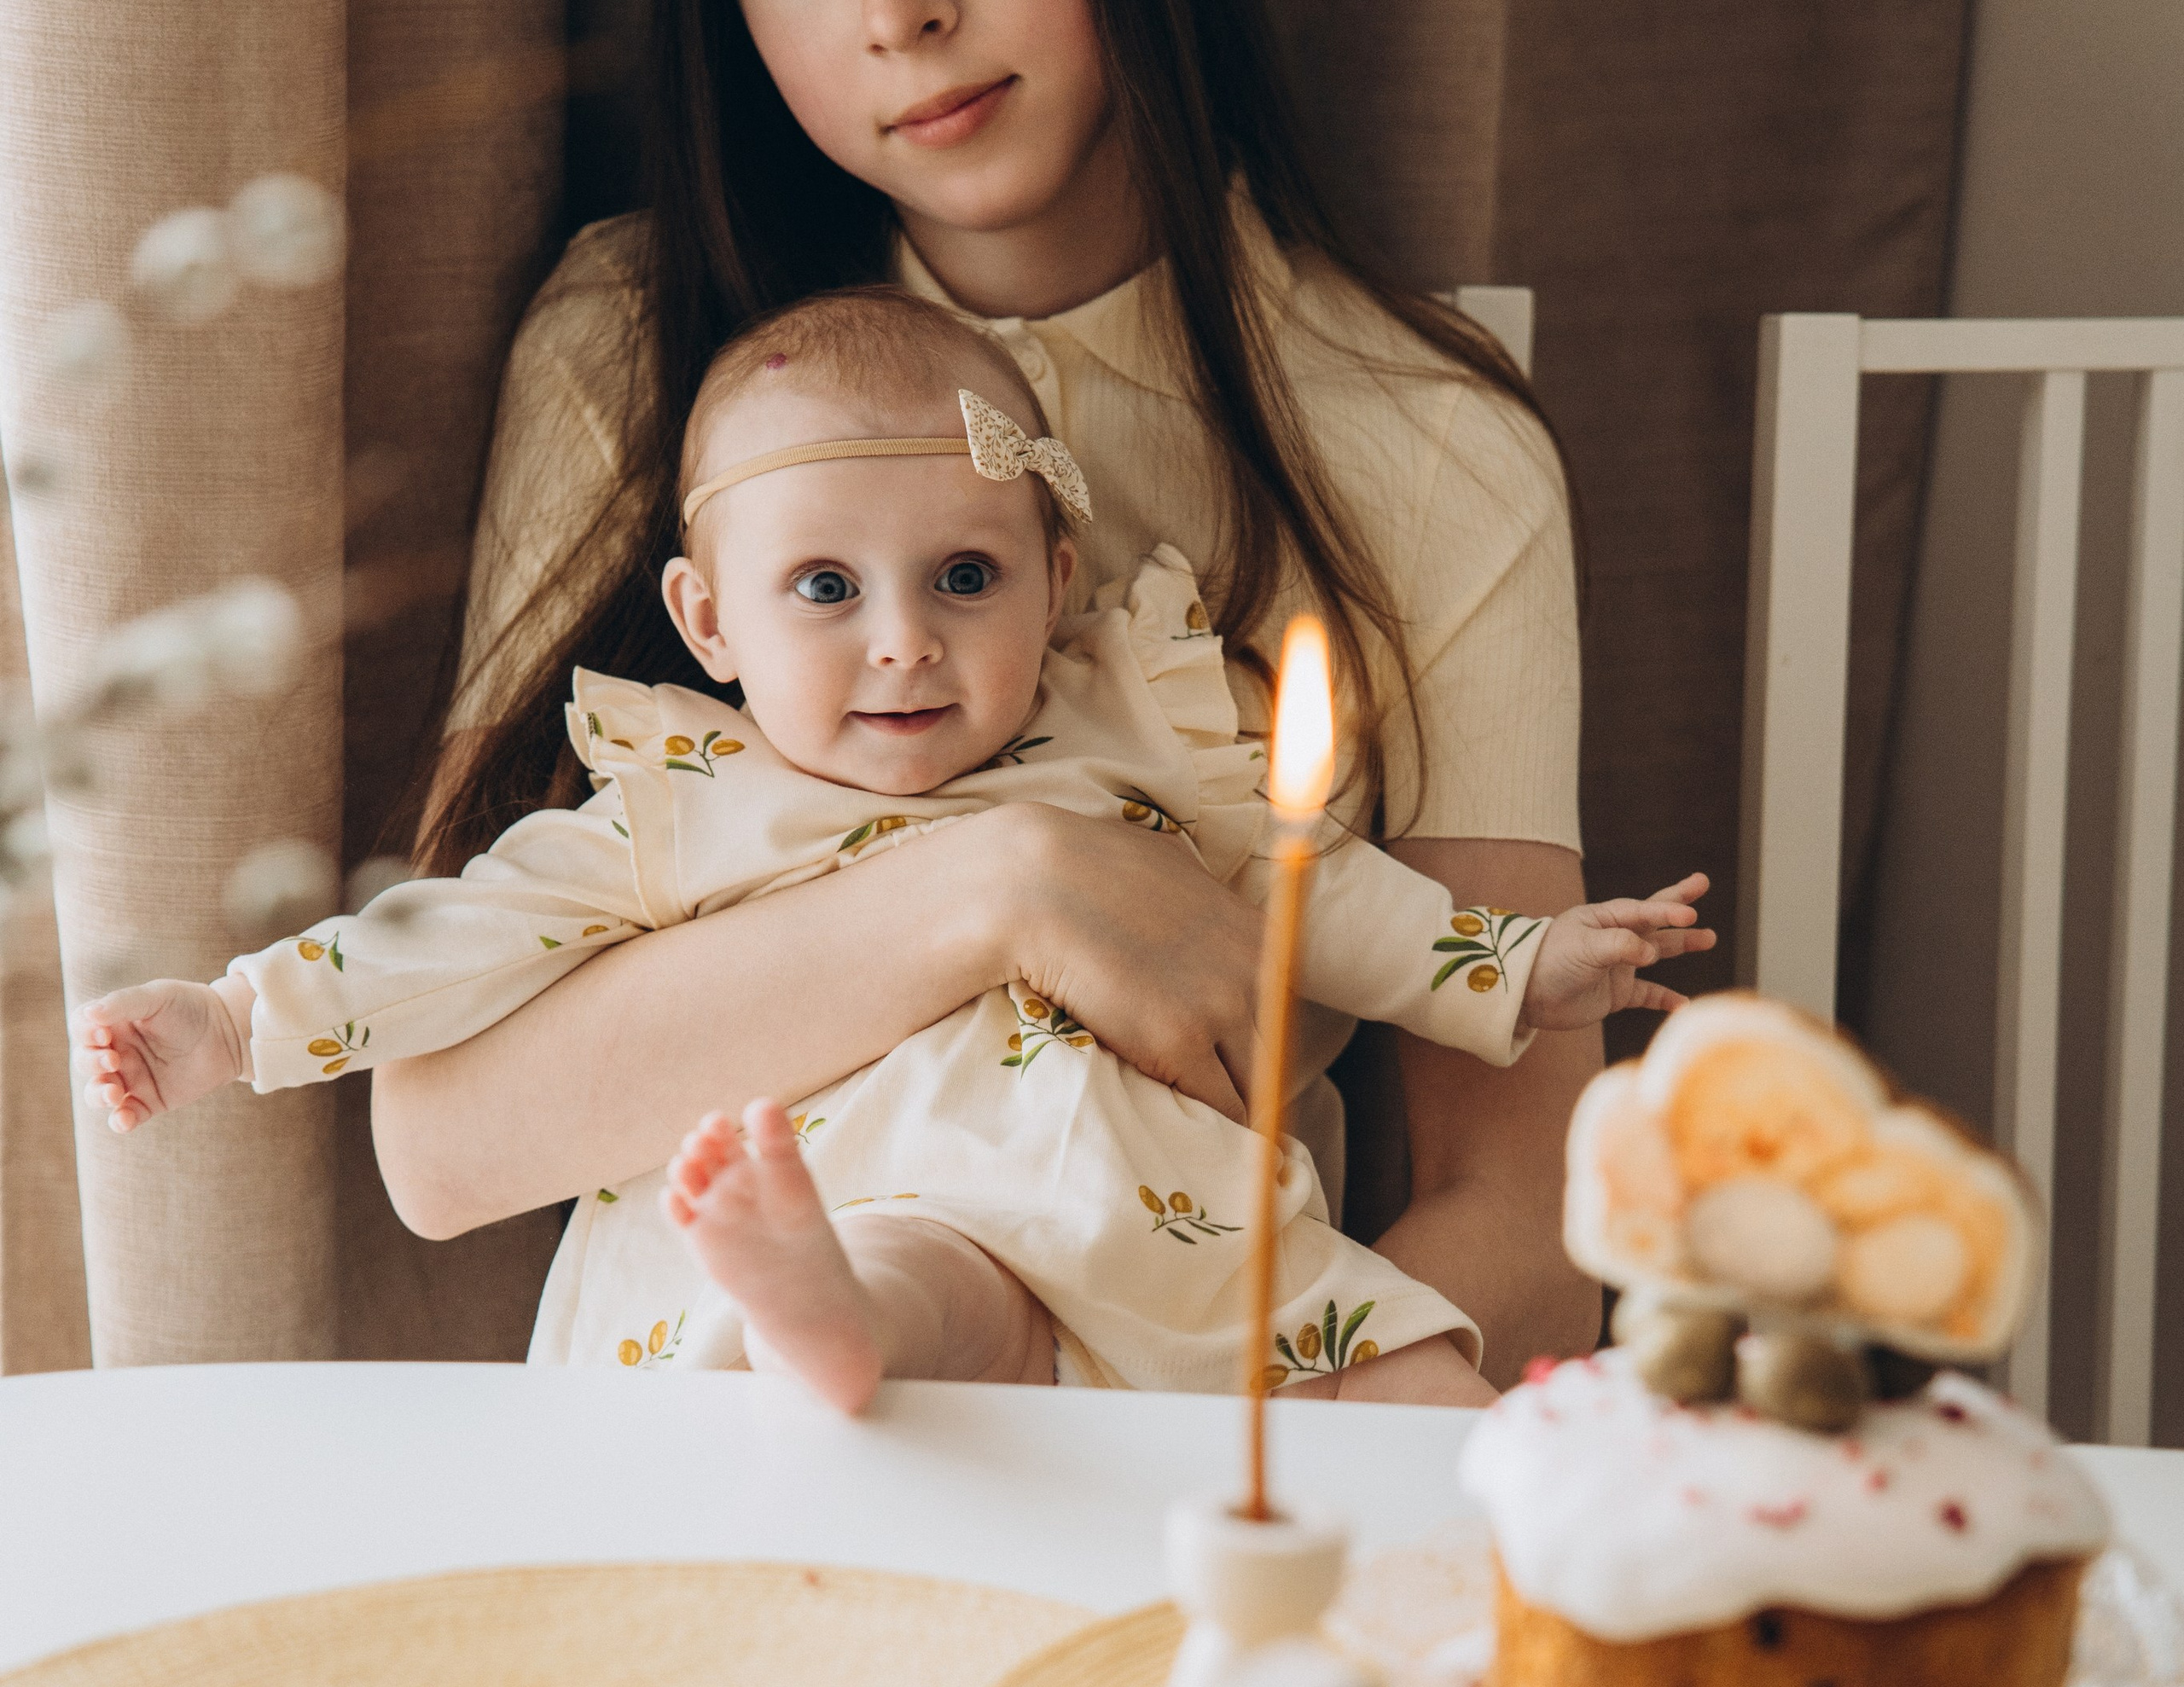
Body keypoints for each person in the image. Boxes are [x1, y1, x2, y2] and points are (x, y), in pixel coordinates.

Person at [372, 0, 1605, 1406]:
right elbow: (443, 1140)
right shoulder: (635, 352)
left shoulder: (1424, 444)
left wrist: (1187, 1457)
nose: (892, 7)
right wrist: (1011, 884)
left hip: (1206, 1434)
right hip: (708, 1412)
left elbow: (1521, 1216)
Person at [74, 290, 1710, 1413]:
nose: (905, 646)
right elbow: (454, 938)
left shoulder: (1146, 736)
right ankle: (819, 1312)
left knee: (1420, 1385)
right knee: (931, 1276)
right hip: (901, 1202)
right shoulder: (674, 807)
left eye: (965, 581)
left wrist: (1522, 964)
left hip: (1180, 1239)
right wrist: (233, 1020)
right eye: (827, 592)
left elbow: (1325, 899)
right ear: (707, 621)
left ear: (1057, 576)